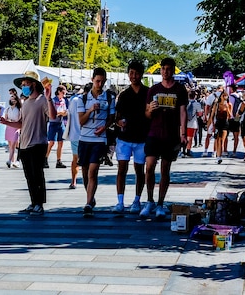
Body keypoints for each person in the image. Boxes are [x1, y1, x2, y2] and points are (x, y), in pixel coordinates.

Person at [0, 71, 55, 215]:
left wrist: (49, 99)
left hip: (38, 143)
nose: (23, 87)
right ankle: (33, 202)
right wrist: (7, 122)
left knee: (37, 174)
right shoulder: (25, 103)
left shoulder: (42, 100)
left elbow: (53, 116)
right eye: (22, 85)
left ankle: (39, 203)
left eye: (25, 84)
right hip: (24, 144)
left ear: (33, 84)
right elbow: (22, 123)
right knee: (29, 175)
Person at [141, 57, 188, 219]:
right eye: (163, 69)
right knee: (149, 166)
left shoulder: (180, 90)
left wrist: (183, 134)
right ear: (160, 70)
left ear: (173, 70)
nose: (165, 72)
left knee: (165, 170)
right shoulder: (153, 89)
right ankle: (149, 200)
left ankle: (160, 203)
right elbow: (146, 113)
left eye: (168, 69)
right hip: (154, 133)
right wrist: (150, 110)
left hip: (171, 135)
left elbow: (183, 112)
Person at [75, 68, 115, 217]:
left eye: (102, 81)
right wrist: (91, 109)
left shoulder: (109, 98)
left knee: (93, 171)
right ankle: (90, 199)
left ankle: (87, 204)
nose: (100, 84)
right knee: (85, 172)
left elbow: (112, 118)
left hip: (100, 140)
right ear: (92, 80)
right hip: (84, 139)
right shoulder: (82, 99)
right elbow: (81, 121)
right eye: (97, 81)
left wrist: (104, 127)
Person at [113, 60, 150, 214]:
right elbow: (116, 116)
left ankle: (137, 200)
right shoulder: (124, 94)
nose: (133, 76)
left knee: (139, 170)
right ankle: (120, 201)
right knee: (121, 169)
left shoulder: (148, 92)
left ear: (141, 74)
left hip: (142, 138)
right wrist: (118, 122)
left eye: (136, 73)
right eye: (131, 73)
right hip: (124, 138)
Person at [46, 85, 69, 169]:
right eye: (63, 92)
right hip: (53, 123)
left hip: (60, 122)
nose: (64, 93)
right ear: (59, 91)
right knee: (51, 142)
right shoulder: (53, 100)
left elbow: (65, 111)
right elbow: (52, 112)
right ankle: (45, 158)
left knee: (60, 142)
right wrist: (60, 113)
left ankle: (59, 160)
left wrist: (64, 113)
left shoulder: (63, 100)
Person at [65, 86, 84, 189]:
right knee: (88, 160)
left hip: (74, 133)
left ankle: (74, 181)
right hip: (86, 134)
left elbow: (69, 114)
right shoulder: (85, 100)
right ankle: (88, 181)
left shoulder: (73, 100)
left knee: (75, 158)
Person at [209, 90, 231, 164]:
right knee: (218, 140)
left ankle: (220, 156)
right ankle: (218, 156)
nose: (225, 97)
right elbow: (212, 115)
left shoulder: (228, 104)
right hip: (218, 123)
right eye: (223, 96)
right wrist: (212, 125)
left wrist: (227, 108)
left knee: (222, 140)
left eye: (226, 96)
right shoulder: (217, 104)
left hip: (225, 123)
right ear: (221, 96)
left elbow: (230, 116)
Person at [2, 93, 22, 169]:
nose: (12, 100)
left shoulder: (19, 109)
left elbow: (19, 119)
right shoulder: (8, 109)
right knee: (10, 145)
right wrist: (7, 120)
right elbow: (6, 118)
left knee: (13, 145)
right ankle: (12, 161)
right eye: (11, 99)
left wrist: (13, 121)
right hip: (9, 127)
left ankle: (9, 160)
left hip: (15, 128)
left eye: (13, 99)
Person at [184, 90, 201, 157]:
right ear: (195, 96)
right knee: (190, 138)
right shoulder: (197, 104)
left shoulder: (185, 103)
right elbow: (200, 114)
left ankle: (182, 150)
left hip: (183, 123)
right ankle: (188, 150)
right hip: (192, 123)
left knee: (183, 136)